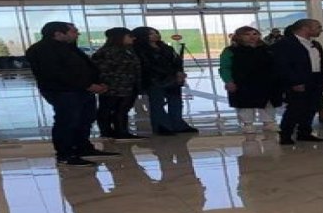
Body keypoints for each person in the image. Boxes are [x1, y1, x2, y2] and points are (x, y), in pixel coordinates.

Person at [25, 21, 120, 167]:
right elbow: (57, 74)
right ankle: (65, 154)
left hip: (82, 90)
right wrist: (88, 85)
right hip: (63, 91)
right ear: (58, 34)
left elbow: (85, 67)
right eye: (73, 31)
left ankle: (83, 148)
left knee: (85, 119)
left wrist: (97, 82)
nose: (77, 34)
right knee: (68, 121)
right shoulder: (42, 50)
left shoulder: (68, 47)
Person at [272, 18, 323, 145]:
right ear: (305, 28)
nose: (321, 30)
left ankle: (304, 132)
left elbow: (322, 62)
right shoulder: (285, 44)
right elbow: (283, 66)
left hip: (315, 79)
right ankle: (286, 134)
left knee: (312, 107)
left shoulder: (314, 44)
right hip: (298, 80)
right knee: (295, 108)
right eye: (318, 27)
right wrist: (294, 82)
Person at [132, 27, 198, 136]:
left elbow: (176, 61)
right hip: (154, 80)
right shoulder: (140, 50)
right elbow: (147, 66)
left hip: (172, 79)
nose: (155, 35)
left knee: (176, 102)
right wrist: (169, 73)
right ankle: (161, 126)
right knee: (157, 104)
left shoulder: (165, 48)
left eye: (156, 33)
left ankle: (178, 124)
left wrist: (179, 72)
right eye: (151, 34)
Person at [219, 26, 282, 134]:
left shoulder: (267, 49)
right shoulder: (231, 51)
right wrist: (228, 81)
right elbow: (225, 67)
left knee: (268, 103)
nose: (252, 37)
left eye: (254, 34)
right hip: (243, 82)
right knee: (245, 104)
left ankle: (269, 123)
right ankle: (248, 124)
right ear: (239, 36)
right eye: (247, 34)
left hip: (266, 81)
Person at [91, 27, 145, 141]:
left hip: (128, 86)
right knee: (108, 109)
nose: (133, 38)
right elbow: (101, 70)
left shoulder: (129, 50)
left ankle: (121, 131)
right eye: (129, 36)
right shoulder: (107, 52)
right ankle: (107, 132)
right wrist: (107, 84)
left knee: (122, 110)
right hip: (113, 87)